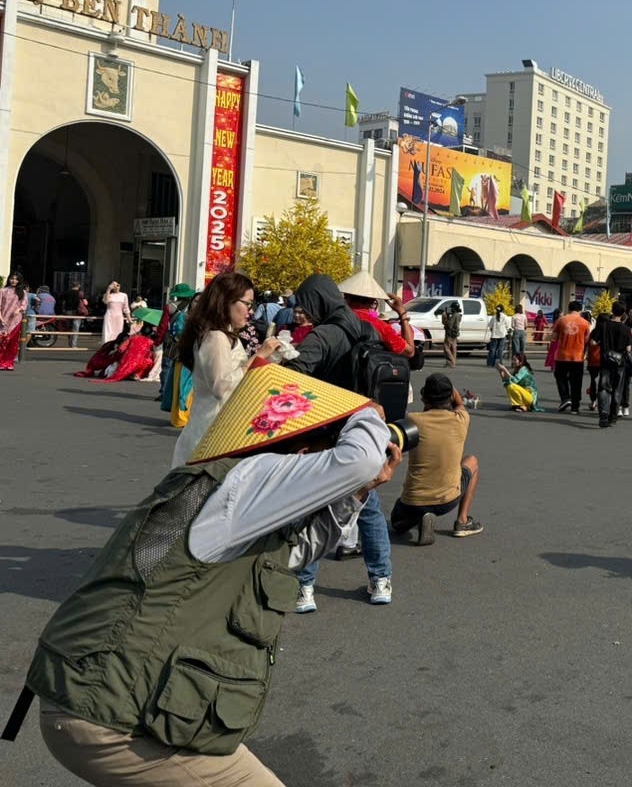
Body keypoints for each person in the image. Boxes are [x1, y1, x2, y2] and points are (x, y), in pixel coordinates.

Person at [13, 361, 398, 786]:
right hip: (111, 717)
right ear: (303, 453)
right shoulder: (245, 482)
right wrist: (367, 414)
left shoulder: (239, 497)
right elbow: (358, 459)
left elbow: (297, 552)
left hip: (99, 700)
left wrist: (359, 492)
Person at [283, 274, 394, 610]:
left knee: (312, 507)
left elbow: (294, 377)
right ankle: (381, 581)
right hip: (366, 429)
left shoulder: (323, 335)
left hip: (326, 431)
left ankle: (304, 588)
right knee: (369, 508)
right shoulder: (367, 329)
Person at [171, 273, 280, 470]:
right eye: (247, 304)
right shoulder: (216, 337)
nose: (250, 311)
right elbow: (221, 387)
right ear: (227, 301)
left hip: (215, 429)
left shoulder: (223, 335)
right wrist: (258, 356)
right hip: (211, 434)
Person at [390, 374, 482, 545]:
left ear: (425, 397)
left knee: (396, 524)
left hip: (413, 501)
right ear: (450, 397)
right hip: (447, 501)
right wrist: (452, 391)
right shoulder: (461, 419)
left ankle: (417, 518)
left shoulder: (412, 420)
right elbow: (460, 403)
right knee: (472, 461)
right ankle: (462, 521)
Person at [337, 270, 416, 363]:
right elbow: (409, 352)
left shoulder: (334, 317)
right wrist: (402, 313)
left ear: (346, 296)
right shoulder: (379, 326)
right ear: (372, 301)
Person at [591, 302, 632, 427]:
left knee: (604, 387)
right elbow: (629, 349)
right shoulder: (626, 329)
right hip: (620, 363)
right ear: (623, 314)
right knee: (617, 389)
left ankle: (603, 413)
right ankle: (613, 416)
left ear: (612, 311)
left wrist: (603, 345)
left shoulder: (603, 326)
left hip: (605, 361)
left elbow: (593, 341)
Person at [158, 284, 196, 419]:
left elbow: (163, 325)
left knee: (167, 365)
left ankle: (164, 391)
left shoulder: (170, 306)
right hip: (188, 341)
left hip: (171, 341)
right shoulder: (193, 306)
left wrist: (158, 340)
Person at [550, 299, 591, 413]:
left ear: (569, 308)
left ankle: (565, 398)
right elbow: (587, 340)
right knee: (576, 381)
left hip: (562, 355)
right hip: (578, 356)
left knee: (560, 377)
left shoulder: (561, 320)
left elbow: (554, 337)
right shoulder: (585, 323)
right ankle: (575, 407)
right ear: (580, 310)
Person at [0, 272, 25, 371]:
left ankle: (9, 363)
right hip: (3, 320)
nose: (14, 281)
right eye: (12, 278)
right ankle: (1, 362)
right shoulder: (3, 291)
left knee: (13, 343)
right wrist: (1, 318)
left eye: (16, 279)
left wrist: (18, 310)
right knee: (2, 342)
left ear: (19, 281)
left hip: (15, 321)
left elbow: (23, 305)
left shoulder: (22, 292)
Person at [58, 281, 88, 348]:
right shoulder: (80, 293)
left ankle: (70, 343)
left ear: (71, 286)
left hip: (68, 312)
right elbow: (85, 303)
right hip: (77, 312)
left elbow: (60, 301)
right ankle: (73, 345)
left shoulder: (66, 293)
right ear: (79, 286)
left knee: (69, 328)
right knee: (75, 328)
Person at [441, 301, 461, 367]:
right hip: (454, 334)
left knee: (446, 348)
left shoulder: (455, 315)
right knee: (453, 348)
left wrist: (445, 318)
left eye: (452, 308)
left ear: (454, 308)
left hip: (450, 334)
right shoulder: (458, 315)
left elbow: (449, 325)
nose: (451, 309)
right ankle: (451, 362)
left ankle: (452, 361)